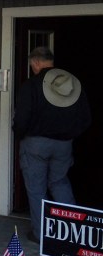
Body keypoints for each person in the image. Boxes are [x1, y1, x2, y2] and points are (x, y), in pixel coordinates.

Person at [12, 46, 90, 243]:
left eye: (32, 64)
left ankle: (41, 235)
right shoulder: (72, 84)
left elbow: (21, 119)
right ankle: (73, 233)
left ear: (37, 62)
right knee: (60, 183)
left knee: (37, 189)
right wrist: (70, 135)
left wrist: (19, 135)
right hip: (64, 144)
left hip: (36, 144)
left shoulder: (31, 86)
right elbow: (86, 118)